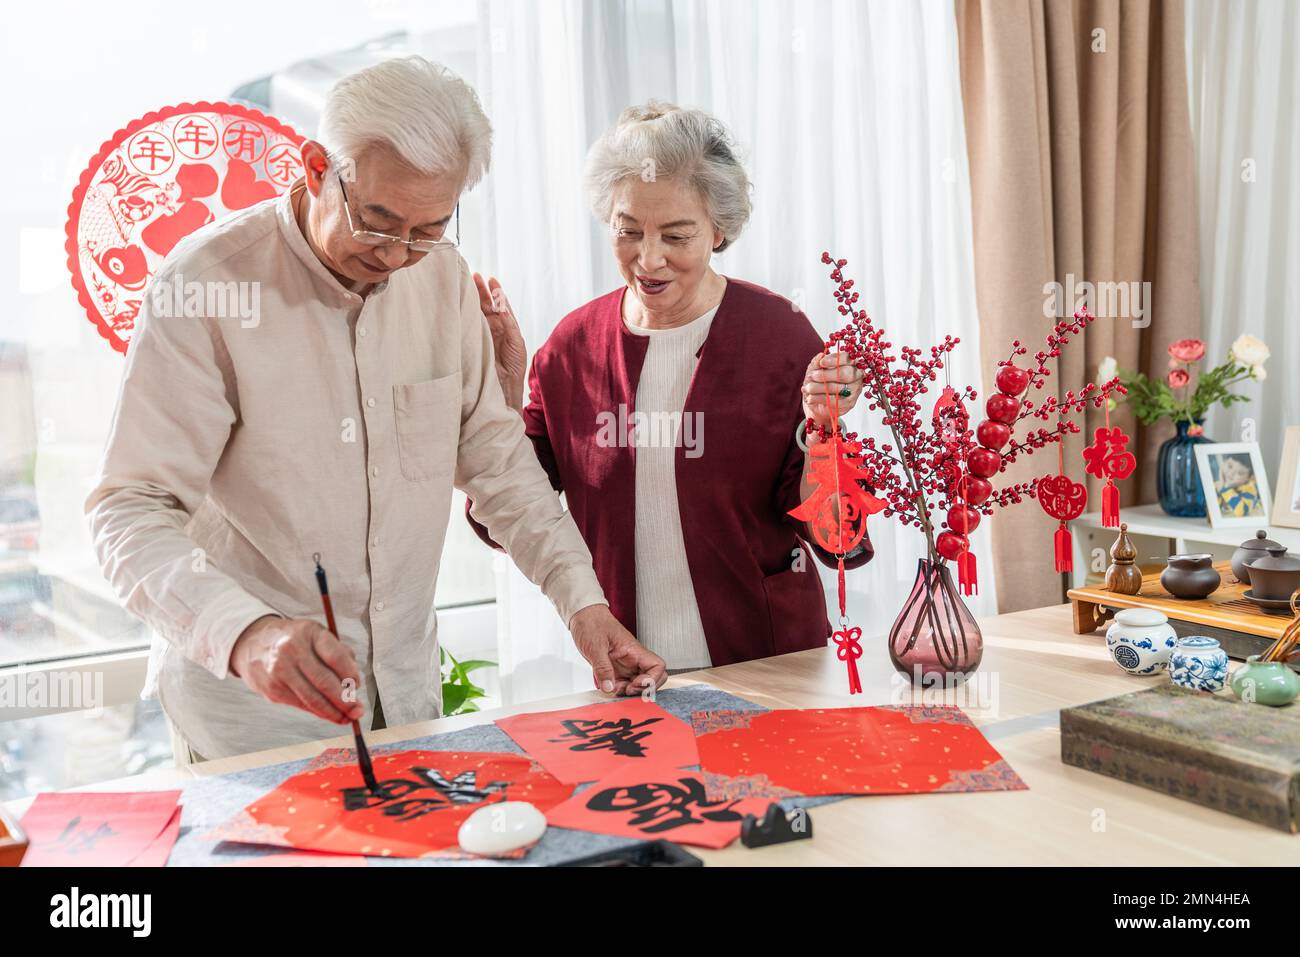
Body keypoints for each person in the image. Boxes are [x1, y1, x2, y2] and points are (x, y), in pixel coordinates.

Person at [86, 57, 664, 762]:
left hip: (408, 701)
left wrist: (584, 605)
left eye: (427, 228)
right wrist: (249, 633)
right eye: (377, 220)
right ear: (313, 167)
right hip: (252, 721)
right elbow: (128, 509)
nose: (396, 254)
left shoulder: (442, 277)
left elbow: (498, 461)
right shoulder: (204, 288)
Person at [469, 102, 871, 673]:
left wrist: (824, 428)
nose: (647, 259)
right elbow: (505, 516)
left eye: (676, 236)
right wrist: (502, 394)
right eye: (628, 232)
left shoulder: (778, 335)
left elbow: (833, 535)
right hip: (630, 669)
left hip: (767, 658)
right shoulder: (570, 348)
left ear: (720, 230)